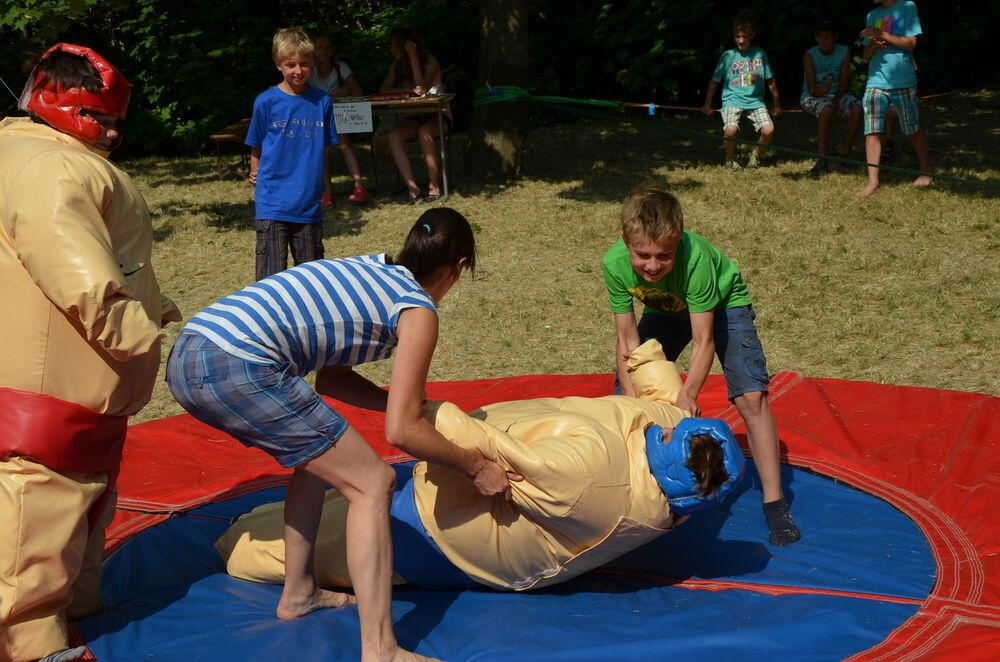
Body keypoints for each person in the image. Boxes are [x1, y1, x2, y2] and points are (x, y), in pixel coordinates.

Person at [166, 207, 517, 662]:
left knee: (318, 460)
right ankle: (381, 650)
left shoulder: (371, 270)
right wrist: (475, 465)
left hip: (191, 354)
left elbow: (332, 381)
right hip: (236, 364)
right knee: (373, 482)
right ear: (459, 269)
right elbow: (401, 432)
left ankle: (299, 593)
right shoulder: (416, 307)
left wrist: (414, 405)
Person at [216, 339, 746, 593]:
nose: (667, 422)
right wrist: (645, 353)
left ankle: (234, 548)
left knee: (293, 546)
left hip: (451, 540)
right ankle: (252, 528)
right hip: (455, 495)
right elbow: (669, 402)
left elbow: (479, 445)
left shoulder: (589, 481)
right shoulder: (681, 459)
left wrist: (415, 409)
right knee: (344, 496)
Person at [0, 44, 180, 662]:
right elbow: (82, 277)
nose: (109, 133)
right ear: (55, 103)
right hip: (56, 389)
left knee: (79, 501)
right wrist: (144, 336)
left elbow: (113, 263)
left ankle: (76, 605)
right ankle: (33, 646)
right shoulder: (58, 171)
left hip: (53, 374)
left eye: (115, 122)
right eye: (97, 117)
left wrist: (156, 308)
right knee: (42, 512)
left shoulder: (20, 151)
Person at [603, 188, 801, 546]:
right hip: (665, 309)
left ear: (678, 241)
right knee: (625, 392)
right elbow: (626, 340)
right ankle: (636, 491)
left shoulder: (696, 262)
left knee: (751, 397)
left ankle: (775, 502)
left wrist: (688, 393)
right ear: (625, 242)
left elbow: (704, 340)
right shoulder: (614, 263)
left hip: (723, 308)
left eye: (664, 256)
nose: (652, 266)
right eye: (642, 255)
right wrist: (631, 396)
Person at [247, 27, 338, 280]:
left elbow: (325, 150)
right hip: (272, 203)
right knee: (270, 281)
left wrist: (325, 188)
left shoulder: (322, 102)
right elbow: (256, 144)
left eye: (304, 64)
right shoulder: (266, 102)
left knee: (311, 282)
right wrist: (255, 171)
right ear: (279, 64)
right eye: (291, 65)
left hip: (308, 205)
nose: (298, 71)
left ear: (312, 63)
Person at [858, 0, 931, 196]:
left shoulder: (908, 6)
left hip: (903, 81)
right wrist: (874, 43)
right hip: (875, 81)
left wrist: (883, 34)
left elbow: (911, 43)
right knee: (871, 130)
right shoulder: (872, 15)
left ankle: (926, 171)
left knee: (911, 129)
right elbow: (865, 55)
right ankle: (873, 182)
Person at [380, 27, 452, 203]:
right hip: (415, 116)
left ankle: (434, 187)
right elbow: (383, 90)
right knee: (394, 135)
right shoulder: (397, 66)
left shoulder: (430, 62)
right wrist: (406, 89)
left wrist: (412, 57)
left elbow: (421, 89)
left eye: (394, 46)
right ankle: (413, 188)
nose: (391, 50)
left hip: (438, 114)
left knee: (424, 133)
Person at [701, 16, 782, 171]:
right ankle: (730, 160)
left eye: (745, 36)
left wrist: (777, 104)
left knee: (769, 130)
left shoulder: (760, 54)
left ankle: (756, 155)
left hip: (755, 101)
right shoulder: (728, 56)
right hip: (732, 100)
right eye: (737, 37)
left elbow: (770, 80)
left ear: (752, 35)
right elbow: (714, 81)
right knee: (730, 130)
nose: (741, 40)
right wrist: (707, 104)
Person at [309, 32, 369, 205]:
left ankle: (359, 187)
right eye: (320, 48)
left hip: (338, 113)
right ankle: (327, 192)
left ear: (332, 50)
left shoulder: (341, 67)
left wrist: (343, 93)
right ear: (313, 50)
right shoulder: (309, 69)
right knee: (322, 148)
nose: (324, 51)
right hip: (317, 115)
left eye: (327, 48)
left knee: (345, 144)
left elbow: (358, 91)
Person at [800, 18, 863, 175]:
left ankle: (845, 155)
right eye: (820, 36)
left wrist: (835, 98)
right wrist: (822, 92)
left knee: (857, 109)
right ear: (816, 37)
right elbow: (812, 89)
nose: (824, 40)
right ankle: (822, 157)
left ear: (835, 37)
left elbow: (844, 81)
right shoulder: (809, 55)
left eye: (828, 36)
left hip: (837, 94)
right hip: (812, 96)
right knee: (826, 109)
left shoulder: (844, 51)